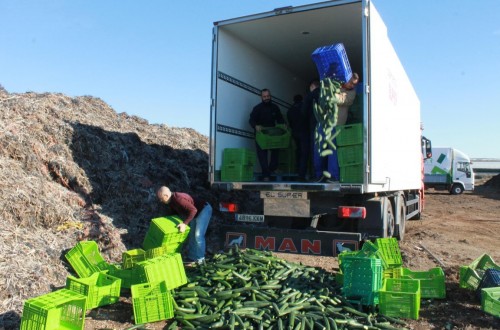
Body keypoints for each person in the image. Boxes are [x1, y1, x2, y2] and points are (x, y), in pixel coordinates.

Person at [156, 186, 212, 265]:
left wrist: (184, 224)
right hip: (195, 213)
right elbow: (173, 214)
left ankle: (201, 260)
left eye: (161, 198)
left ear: (166, 196)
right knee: (192, 236)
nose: (161, 201)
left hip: (204, 209)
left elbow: (193, 210)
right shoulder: (171, 202)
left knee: (198, 235)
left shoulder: (178, 199)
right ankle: (192, 258)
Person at [249, 88, 285, 181]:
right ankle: (266, 175)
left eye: (268, 96)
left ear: (270, 96)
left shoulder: (275, 107)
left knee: (275, 150)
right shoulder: (257, 108)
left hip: (272, 134)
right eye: (264, 97)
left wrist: (283, 124)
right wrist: (255, 126)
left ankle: (273, 168)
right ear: (261, 97)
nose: (266, 98)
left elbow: (280, 118)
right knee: (262, 155)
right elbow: (251, 120)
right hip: (260, 135)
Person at [287, 94, 309, 181]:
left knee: (299, 151)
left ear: (293, 101)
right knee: (305, 153)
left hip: (295, 134)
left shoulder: (290, 110)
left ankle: (297, 170)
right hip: (304, 133)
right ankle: (302, 174)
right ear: (302, 100)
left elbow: (290, 123)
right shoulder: (304, 108)